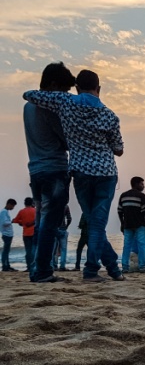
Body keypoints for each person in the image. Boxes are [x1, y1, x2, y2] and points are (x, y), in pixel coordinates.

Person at [23, 69, 125, 283]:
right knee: (93, 224)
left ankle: (113, 267)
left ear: (77, 88)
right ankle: (88, 271)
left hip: (70, 171)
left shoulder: (63, 103)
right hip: (99, 172)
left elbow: (28, 94)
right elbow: (118, 149)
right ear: (99, 88)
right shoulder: (108, 115)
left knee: (88, 221)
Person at [22, 62, 76, 283]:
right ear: (53, 85)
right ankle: (43, 270)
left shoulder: (28, 107)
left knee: (41, 219)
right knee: (50, 223)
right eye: (63, 90)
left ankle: (36, 269)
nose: (64, 96)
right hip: (54, 168)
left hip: (35, 169)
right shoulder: (48, 108)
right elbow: (65, 139)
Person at [117, 176, 145, 274]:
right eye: (142, 184)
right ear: (136, 184)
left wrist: (122, 223)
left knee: (127, 246)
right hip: (139, 224)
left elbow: (119, 211)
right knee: (141, 245)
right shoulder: (141, 196)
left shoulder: (123, 195)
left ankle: (125, 267)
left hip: (127, 225)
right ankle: (142, 267)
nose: (143, 186)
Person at [12, 197, 36, 273]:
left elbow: (15, 220)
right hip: (34, 232)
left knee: (28, 251)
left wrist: (22, 222)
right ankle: (34, 266)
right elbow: (38, 220)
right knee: (34, 250)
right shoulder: (35, 211)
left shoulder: (22, 211)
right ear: (32, 203)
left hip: (26, 233)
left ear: (25, 203)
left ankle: (29, 266)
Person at [52, 204, 72, 271]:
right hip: (63, 229)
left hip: (54, 228)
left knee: (53, 249)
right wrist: (66, 226)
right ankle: (62, 266)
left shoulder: (52, 205)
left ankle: (53, 265)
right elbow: (69, 218)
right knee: (63, 249)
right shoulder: (66, 206)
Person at [1, 199, 17, 271]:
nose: (13, 208)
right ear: (9, 204)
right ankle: (5, 266)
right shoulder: (4, 212)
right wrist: (12, 221)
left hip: (8, 233)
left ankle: (7, 265)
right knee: (6, 251)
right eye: (13, 206)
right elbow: (4, 223)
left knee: (7, 251)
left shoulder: (5, 212)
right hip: (6, 234)